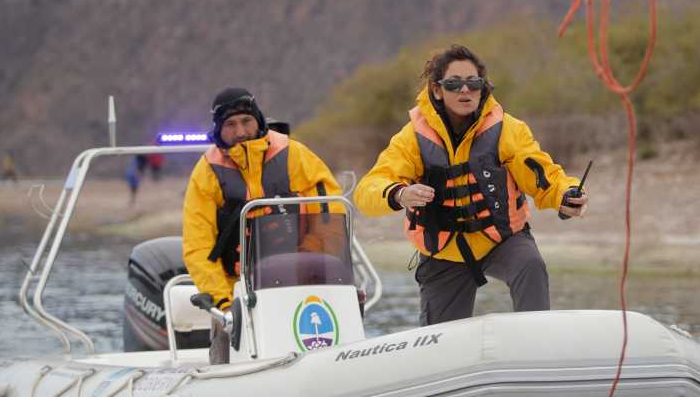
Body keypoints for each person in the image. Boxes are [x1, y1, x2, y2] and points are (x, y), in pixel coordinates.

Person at [354, 44, 589, 326]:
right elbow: (368, 189)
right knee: (439, 339)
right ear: (437, 90)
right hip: (443, 252)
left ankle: (537, 336)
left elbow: (542, 174)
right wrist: (400, 194)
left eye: (473, 83)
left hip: (502, 239)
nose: (465, 90)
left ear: (482, 87)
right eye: (454, 84)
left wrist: (565, 194)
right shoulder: (411, 138)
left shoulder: (508, 129)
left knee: (531, 265)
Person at [182, 87, 343, 364]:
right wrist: (224, 303)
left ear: (257, 119)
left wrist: (309, 263)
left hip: (300, 282)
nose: (240, 131)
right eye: (230, 124)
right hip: (234, 291)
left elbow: (330, 215)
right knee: (225, 349)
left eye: (246, 121)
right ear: (219, 129)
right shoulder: (206, 172)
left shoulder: (294, 155)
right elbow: (198, 246)